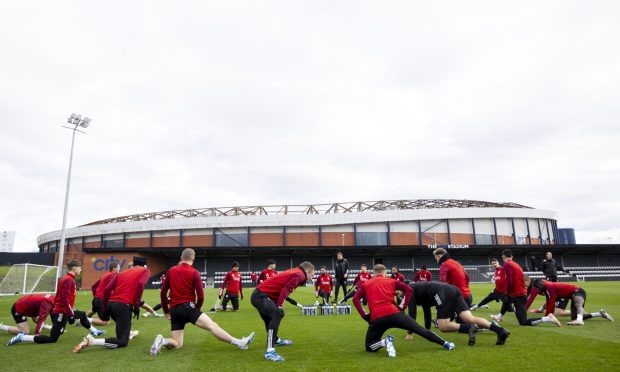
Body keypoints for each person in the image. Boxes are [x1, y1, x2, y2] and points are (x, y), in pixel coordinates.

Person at [150, 248, 255, 355]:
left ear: (181, 257)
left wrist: (166, 310)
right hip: (188, 307)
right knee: (212, 326)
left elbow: (163, 293)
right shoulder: (194, 272)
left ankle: (163, 341)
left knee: (177, 343)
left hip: (174, 310)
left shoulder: (171, 271)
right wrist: (197, 309)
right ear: (193, 258)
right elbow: (200, 296)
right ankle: (240, 343)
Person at [353, 264, 455, 358]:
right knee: (420, 330)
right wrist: (402, 306)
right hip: (395, 313)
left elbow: (355, 299)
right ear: (385, 273)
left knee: (369, 346)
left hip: (377, 317)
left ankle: (385, 342)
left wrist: (364, 315)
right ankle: (446, 344)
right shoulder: (391, 281)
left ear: (374, 274)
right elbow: (409, 289)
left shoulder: (366, 284)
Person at [7, 260, 105, 347]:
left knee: (83, 314)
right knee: (52, 339)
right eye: (80, 268)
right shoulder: (68, 280)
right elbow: (64, 299)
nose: (81, 270)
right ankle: (22, 338)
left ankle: (94, 331)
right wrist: (70, 314)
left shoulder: (68, 279)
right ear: (74, 268)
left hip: (65, 310)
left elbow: (62, 298)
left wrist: (70, 312)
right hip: (62, 312)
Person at [72, 256, 150, 352]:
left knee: (121, 332)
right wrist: (136, 304)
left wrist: (105, 308)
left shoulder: (123, 273)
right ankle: (92, 341)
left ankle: (128, 332)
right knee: (123, 342)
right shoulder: (145, 271)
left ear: (133, 264)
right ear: (145, 265)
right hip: (123, 305)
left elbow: (107, 289)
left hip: (110, 304)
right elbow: (140, 284)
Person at [404, 281, 510, 346]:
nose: (399, 296)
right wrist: (428, 331)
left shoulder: (410, 289)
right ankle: (500, 331)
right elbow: (426, 310)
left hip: (442, 292)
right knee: (469, 318)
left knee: (443, 326)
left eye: (398, 293)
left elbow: (412, 313)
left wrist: (410, 333)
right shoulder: (419, 289)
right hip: (453, 289)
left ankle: (468, 328)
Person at [251, 261, 315, 362]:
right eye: (312, 274)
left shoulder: (297, 272)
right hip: (260, 296)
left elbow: (282, 289)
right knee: (276, 314)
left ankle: (275, 340)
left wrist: (279, 304)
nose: (312, 277)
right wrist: (280, 306)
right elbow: (285, 289)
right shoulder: (301, 275)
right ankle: (270, 352)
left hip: (259, 295)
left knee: (270, 318)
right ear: (308, 271)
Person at [491, 249, 561, 327]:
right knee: (507, 299)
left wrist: (508, 292)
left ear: (503, 257)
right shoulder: (515, 264)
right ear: (512, 257)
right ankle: (500, 316)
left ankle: (548, 318)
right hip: (520, 294)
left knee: (523, 322)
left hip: (518, 296)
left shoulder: (507, 265)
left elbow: (509, 281)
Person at [525, 277, 614, 325]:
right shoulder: (545, 288)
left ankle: (580, 320)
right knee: (573, 317)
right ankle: (599, 314)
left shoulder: (549, 287)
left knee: (577, 303)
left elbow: (551, 302)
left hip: (577, 291)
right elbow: (549, 301)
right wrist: (546, 314)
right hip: (569, 295)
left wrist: (549, 315)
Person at [87, 262, 120, 326]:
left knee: (93, 311)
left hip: (97, 299)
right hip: (100, 300)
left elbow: (93, 287)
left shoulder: (105, 275)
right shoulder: (112, 275)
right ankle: (85, 319)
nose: (119, 268)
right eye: (118, 267)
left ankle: (83, 320)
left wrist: (96, 297)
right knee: (106, 322)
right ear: (114, 269)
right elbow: (109, 289)